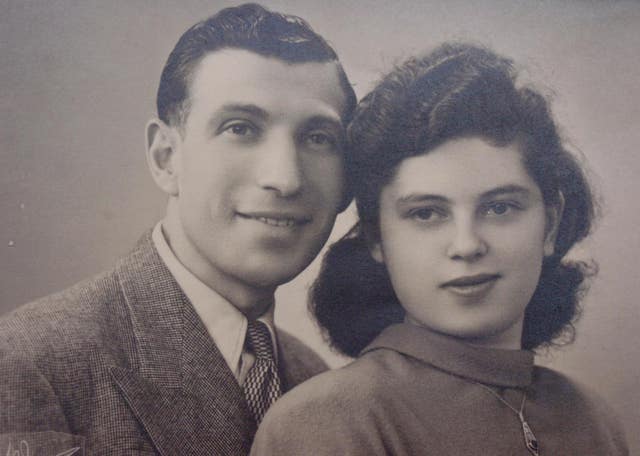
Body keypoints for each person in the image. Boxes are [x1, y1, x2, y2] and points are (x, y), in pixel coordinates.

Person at [0, 3, 356, 454]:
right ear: (166, 158)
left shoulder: (313, 379)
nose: (286, 178)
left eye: (318, 138)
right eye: (241, 128)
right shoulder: (27, 363)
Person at [251, 43, 629, 455]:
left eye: (500, 207)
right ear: (378, 239)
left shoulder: (591, 418)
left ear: (550, 225)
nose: (467, 245)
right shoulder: (326, 424)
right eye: (427, 214)